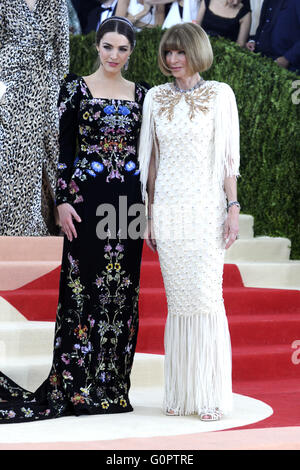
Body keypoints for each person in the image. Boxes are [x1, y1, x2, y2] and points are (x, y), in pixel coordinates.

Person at [0, 16, 148, 424]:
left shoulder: (143, 95)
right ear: (96, 47)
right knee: (82, 292)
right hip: (84, 202)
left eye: (122, 49)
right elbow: (64, 150)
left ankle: (112, 387)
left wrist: (150, 206)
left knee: (121, 293)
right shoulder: (74, 89)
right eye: (107, 47)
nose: (114, 55)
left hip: (128, 204)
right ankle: (78, 386)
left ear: (130, 53)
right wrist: (62, 202)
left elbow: (149, 156)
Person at [138, 22, 240, 420]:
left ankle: (210, 394)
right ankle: (181, 393)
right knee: (178, 302)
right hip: (168, 209)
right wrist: (147, 216)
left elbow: (228, 161)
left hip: (205, 209)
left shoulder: (220, 95)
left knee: (205, 298)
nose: (173, 60)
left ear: (196, 52)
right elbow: (151, 164)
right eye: (168, 53)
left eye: (181, 52)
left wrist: (232, 207)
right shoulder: (154, 99)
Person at [0, 0, 69, 236]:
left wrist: (55, 91)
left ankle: (52, 226)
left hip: (45, 87)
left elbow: (63, 52)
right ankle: (12, 228)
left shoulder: (56, 3)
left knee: (53, 150)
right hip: (10, 88)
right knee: (12, 158)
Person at [246, 0, 300, 73]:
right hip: (261, 61)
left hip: (287, 67)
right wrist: (253, 41)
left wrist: (287, 58)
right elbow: (263, 27)